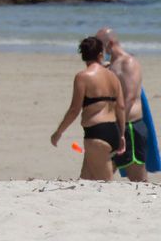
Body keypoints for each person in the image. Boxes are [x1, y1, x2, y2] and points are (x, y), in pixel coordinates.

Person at [51, 36, 126, 181]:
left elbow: (74, 109)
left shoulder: (83, 77)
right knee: (85, 181)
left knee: (106, 184)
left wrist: (58, 132)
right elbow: (121, 107)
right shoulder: (113, 77)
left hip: (96, 134)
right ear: (100, 55)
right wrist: (122, 135)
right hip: (113, 131)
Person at [99, 27, 149, 181]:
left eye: (100, 45)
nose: (99, 50)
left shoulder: (129, 62)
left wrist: (119, 130)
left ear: (110, 43)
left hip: (129, 127)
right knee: (100, 174)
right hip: (115, 125)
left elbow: (130, 98)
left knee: (138, 181)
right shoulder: (111, 65)